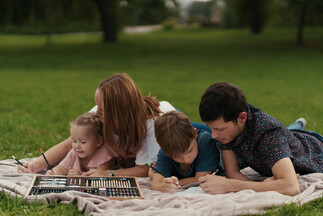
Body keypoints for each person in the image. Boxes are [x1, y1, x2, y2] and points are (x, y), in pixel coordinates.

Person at [18, 73, 206, 177]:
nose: (96, 113)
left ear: (119, 111)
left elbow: (143, 168)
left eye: (102, 109)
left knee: (209, 136)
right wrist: (36, 164)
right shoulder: (101, 113)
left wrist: (108, 174)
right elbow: (72, 142)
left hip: (179, 125)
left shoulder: (153, 127)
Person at [198, 82, 323, 196]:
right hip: (290, 140)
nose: (213, 136)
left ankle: (297, 125)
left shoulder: (269, 135)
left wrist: (230, 185)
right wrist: (259, 185)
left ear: (242, 118)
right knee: (290, 132)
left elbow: (291, 187)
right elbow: (232, 171)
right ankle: (297, 125)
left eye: (219, 129)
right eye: (210, 128)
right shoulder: (228, 124)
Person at [150, 111, 222, 193]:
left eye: (190, 150)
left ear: (195, 134)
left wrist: (170, 183)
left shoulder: (204, 141)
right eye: (176, 156)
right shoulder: (165, 152)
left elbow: (200, 179)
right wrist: (164, 185)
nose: (186, 159)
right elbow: (155, 185)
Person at [46, 112, 111, 176]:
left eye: (83, 142)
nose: (77, 146)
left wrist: (81, 174)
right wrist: (54, 172)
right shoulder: (74, 153)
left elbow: (99, 175)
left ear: (98, 141)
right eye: (74, 141)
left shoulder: (104, 156)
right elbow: (62, 167)